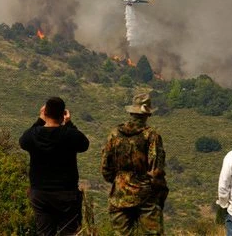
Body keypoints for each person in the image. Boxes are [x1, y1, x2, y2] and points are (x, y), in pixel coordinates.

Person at [20, 97, 89, 236]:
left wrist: (39, 120)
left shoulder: (34, 135)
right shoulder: (69, 135)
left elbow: (23, 141)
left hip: (40, 194)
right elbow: (84, 144)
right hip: (67, 194)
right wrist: (69, 124)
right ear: (63, 114)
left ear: (45, 113)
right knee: (69, 232)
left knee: (44, 233)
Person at [101, 93, 169, 235]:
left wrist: (119, 180)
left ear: (131, 112)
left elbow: (106, 167)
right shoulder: (151, 136)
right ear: (147, 114)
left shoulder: (114, 134)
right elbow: (156, 169)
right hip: (145, 194)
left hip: (119, 194)